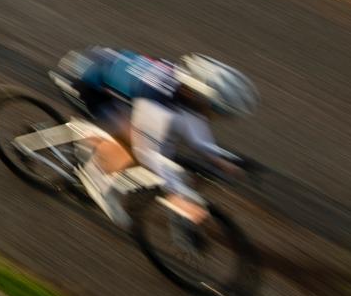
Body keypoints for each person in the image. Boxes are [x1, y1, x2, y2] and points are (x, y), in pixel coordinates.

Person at [67, 48, 259, 227]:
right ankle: (93, 177)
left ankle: (98, 151)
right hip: (90, 85)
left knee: (162, 136)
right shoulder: (157, 102)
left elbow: (196, 133)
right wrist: (175, 194)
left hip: (107, 66)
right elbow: (147, 154)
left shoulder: (186, 89)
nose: (217, 117)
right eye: (217, 110)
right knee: (131, 147)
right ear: (199, 95)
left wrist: (221, 161)